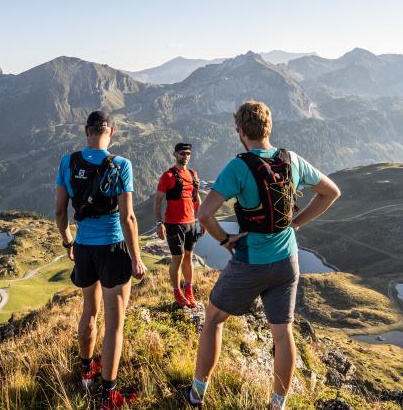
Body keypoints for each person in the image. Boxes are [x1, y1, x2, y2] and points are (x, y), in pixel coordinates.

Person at [188, 101, 341, 409]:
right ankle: (278, 404)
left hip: (251, 261)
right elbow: (331, 192)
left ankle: (196, 395)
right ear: (268, 128)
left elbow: (204, 214)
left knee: (214, 319)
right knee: (282, 334)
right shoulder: (292, 160)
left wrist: (225, 240)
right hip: (288, 260)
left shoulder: (238, 167)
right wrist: (295, 223)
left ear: (240, 131)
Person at [55, 111, 147, 409]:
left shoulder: (68, 162)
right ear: (112, 131)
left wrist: (69, 240)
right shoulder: (121, 165)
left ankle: (86, 374)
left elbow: (59, 213)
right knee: (115, 325)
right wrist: (137, 258)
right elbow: (128, 216)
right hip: (112, 248)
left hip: (83, 247)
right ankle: (108, 395)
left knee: (89, 312)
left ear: (87, 131)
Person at [154, 142, 202, 308]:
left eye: (188, 153)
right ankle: (177, 292)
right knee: (177, 257)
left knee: (189, 256)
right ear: (175, 154)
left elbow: (196, 198)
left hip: (190, 222)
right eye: (182, 153)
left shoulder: (193, 174)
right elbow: (158, 201)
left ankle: (189, 290)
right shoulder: (167, 176)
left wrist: (201, 219)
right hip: (174, 224)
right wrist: (159, 223)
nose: (185, 156)